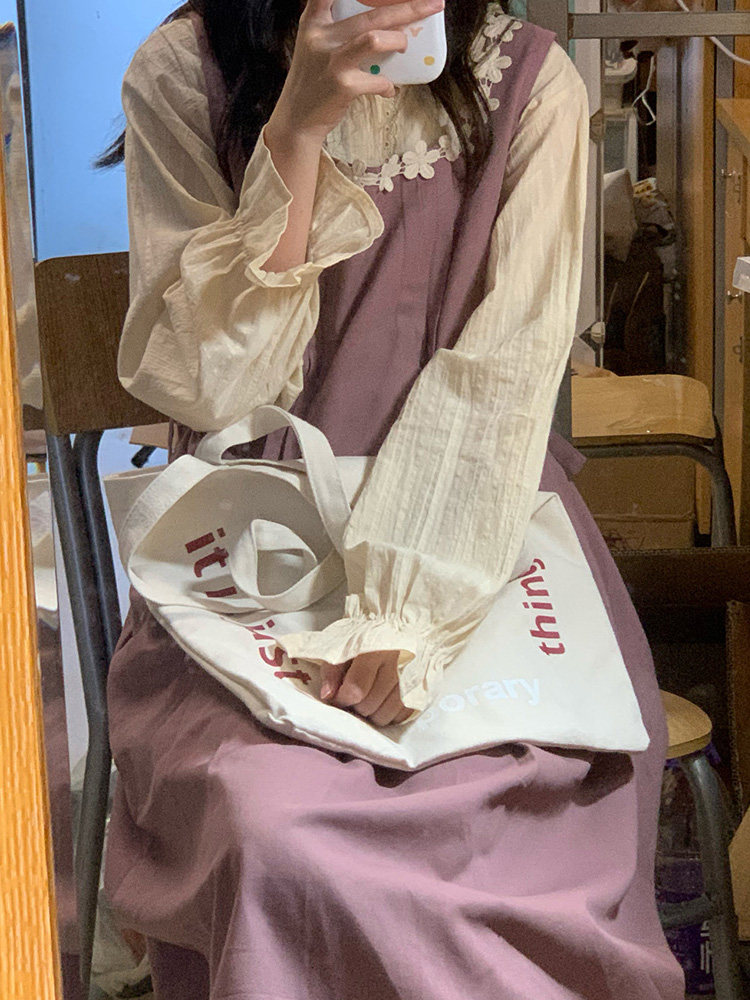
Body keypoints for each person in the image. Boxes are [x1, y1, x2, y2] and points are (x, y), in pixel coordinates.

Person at [103, 1, 685, 996]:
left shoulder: (530, 81)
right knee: (274, 825)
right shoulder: (180, 73)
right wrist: (297, 130)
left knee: (518, 822)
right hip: (251, 538)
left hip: (473, 524)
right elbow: (206, 385)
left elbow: (505, 373)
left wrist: (405, 604)